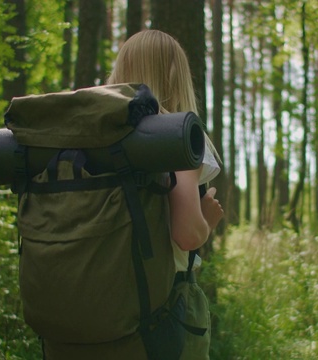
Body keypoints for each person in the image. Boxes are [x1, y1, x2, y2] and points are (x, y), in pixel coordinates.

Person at [107, 29, 224, 359]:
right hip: (158, 313)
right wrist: (206, 219)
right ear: (174, 73)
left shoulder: (95, 132)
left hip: (87, 305)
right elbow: (187, 235)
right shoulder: (173, 136)